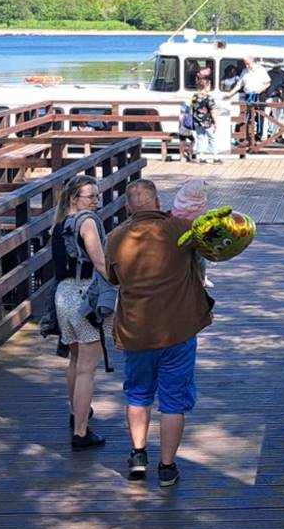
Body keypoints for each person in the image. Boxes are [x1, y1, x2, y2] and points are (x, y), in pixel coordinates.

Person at [106, 179, 213, 488]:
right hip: (178, 330)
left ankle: (138, 455)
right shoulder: (179, 230)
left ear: (128, 207)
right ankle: (167, 467)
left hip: (136, 331)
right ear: (157, 202)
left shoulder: (115, 238)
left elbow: (113, 278)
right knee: (174, 401)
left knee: (138, 394)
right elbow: (209, 250)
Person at [52, 179, 112, 451]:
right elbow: (99, 262)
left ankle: (76, 411)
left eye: (97, 197)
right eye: (90, 196)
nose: (95, 202)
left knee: (76, 360)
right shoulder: (87, 223)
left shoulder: (60, 224)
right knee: (88, 368)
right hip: (83, 295)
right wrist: (121, 282)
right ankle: (80, 432)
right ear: (74, 197)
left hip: (63, 294)